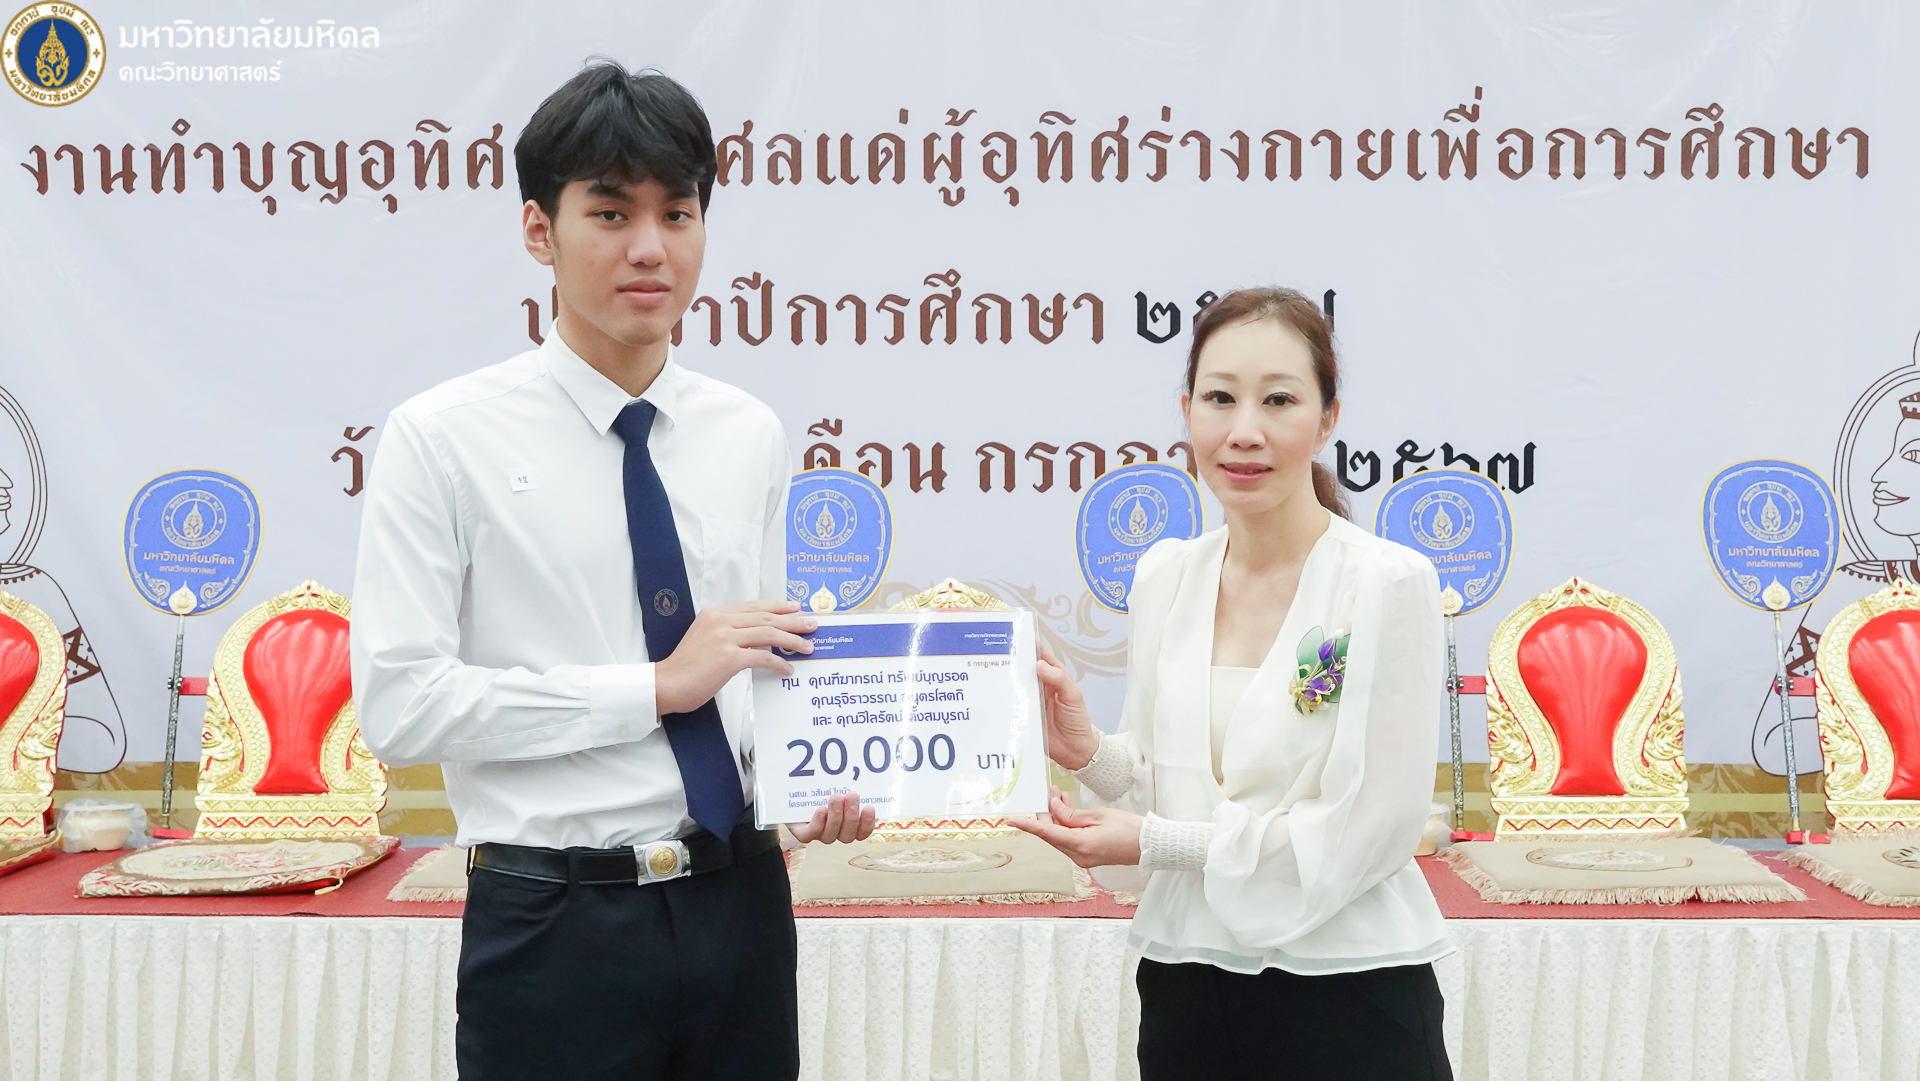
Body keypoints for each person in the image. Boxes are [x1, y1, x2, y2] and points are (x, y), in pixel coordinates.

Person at [349, 63, 873, 1081]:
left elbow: (756, 679)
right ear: (538, 231)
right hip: (554, 922)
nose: (649, 246)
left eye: (678, 213)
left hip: (741, 904)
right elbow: (403, 707)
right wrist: (654, 688)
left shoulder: (748, 432)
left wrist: (804, 783)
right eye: (610, 212)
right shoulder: (440, 438)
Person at [1011, 288, 1454, 1080]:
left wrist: (1157, 842)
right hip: (1188, 987)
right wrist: (1089, 753)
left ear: (1328, 418)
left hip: (1351, 989)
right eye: (1220, 398)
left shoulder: (1387, 582)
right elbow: (1165, 790)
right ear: (1187, 411)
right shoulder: (1166, 576)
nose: (1244, 430)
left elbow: (1369, 827)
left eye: (1278, 400)